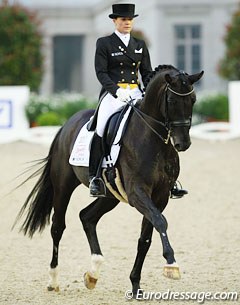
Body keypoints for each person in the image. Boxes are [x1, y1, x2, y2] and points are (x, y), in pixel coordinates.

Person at [89, 3, 187, 199]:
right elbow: (101, 72)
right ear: (115, 21)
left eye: (130, 20)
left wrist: (145, 92)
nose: (127, 23)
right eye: (124, 20)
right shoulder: (104, 43)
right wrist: (116, 91)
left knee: (158, 125)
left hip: (135, 93)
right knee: (101, 128)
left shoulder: (139, 45)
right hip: (114, 95)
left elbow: (147, 73)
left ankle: (169, 177)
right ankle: (95, 177)